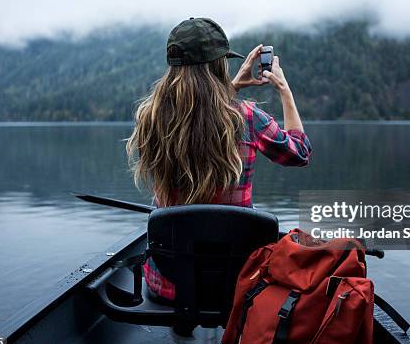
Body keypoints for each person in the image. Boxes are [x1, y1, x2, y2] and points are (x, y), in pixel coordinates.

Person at [126, 17, 312, 302]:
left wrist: (233, 87)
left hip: (168, 283)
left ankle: (183, 321)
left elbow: (197, 117)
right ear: (217, 65)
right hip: (238, 283)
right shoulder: (247, 118)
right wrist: (284, 91)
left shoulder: (150, 118)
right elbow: (300, 153)